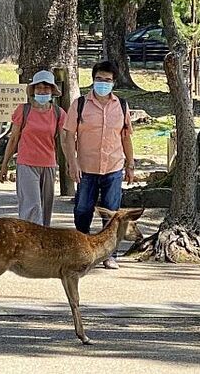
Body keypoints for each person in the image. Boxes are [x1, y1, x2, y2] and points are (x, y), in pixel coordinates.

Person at [62, 60, 136, 269]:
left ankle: (109, 254)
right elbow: (69, 136)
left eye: (107, 80)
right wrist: (72, 163)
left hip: (113, 166)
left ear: (114, 82)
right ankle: (80, 249)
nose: (103, 83)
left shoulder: (121, 105)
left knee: (112, 212)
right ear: (93, 80)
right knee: (83, 209)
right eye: (99, 79)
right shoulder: (80, 104)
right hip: (87, 167)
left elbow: (126, 137)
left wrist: (130, 165)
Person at [0, 70, 67, 226]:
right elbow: (13, 139)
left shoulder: (58, 113)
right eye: (39, 88)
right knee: (32, 206)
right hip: (26, 164)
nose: (42, 91)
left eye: (46, 88)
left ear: (52, 91)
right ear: (33, 90)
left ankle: (42, 243)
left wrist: (71, 163)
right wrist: (4, 165)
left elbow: (64, 141)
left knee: (45, 209)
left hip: (48, 164)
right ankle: (28, 241)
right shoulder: (23, 110)